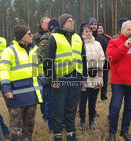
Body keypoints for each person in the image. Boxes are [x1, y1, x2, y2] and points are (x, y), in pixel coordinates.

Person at [0, 25, 44, 140]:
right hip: (16, 94)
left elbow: (39, 68)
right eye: (29, 34)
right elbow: (3, 70)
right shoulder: (9, 51)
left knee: (29, 125)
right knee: (16, 126)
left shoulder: (34, 50)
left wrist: (41, 82)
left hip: (32, 94)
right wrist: (6, 89)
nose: (32, 35)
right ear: (21, 37)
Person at [46, 13, 87, 141]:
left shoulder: (78, 37)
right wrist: (53, 79)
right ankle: (57, 135)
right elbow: (48, 60)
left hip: (75, 77)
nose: (72, 22)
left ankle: (71, 134)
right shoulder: (54, 38)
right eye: (69, 21)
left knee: (72, 108)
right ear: (62, 23)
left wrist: (83, 78)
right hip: (60, 78)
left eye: (72, 20)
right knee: (58, 108)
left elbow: (83, 59)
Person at [78, 24, 105, 130]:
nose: (89, 33)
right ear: (82, 33)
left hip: (96, 76)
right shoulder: (79, 44)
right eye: (86, 31)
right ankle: (82, 120)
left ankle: (91, 120)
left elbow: (102, 58)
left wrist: (96, 68)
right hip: (84, 77)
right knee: (83, 100)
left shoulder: (97, 44)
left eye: (90, 31)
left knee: (93, 100)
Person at [33, 16, 50, 123]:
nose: (48, 25)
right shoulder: (36, 37)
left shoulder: (52, 35)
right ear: (41, 24)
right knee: (42, 94)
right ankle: (45, 116)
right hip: (40, 69)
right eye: (46, 23)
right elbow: (35, 53)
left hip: (50, 68)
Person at [89, 17, 108, 101]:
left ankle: (94, 109)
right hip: (88, 66)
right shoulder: (85, 38)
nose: (94, 26)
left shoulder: (102, 39)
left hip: (99, 65)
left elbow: (105, 53)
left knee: (97, 86)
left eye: (95, 24)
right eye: (92, 24)